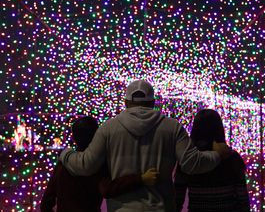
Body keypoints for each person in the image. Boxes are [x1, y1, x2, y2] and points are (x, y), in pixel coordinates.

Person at [60, 80, 231, 212]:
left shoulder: (109, 128)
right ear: (153, 102)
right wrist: (217, 155)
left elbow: (86, 165)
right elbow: (191, 164)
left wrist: (65, 154)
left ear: (126, 102)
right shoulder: (172, 127)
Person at [41, 116, 159, 212]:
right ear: (97, 136)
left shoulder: (62, 165)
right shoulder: (98, 164)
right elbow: (109, 189)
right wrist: (141, 178)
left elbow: (47, 201)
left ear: (74, 137)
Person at [174, 109, 250, 212]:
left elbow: (178, 197)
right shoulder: (231, 157)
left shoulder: (189, 158)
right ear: (219, 128)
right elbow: (242, 197)